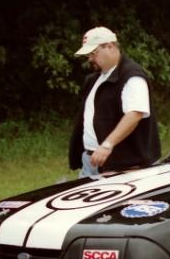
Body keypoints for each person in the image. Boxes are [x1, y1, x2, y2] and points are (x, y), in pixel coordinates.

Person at [68, 26, 161, 177]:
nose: (90, 59)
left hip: (125, 165)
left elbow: (135, 114)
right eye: (88, 55)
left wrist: (107, 145)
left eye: (93, 53)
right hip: (91, 161)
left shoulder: (132, 76)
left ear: (110, 46)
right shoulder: (94, 79)